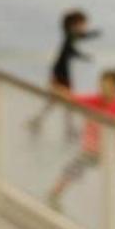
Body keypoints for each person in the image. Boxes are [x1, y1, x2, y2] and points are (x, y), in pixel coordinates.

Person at [46, 69, 115, 226]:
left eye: (108, 84)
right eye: (102, 83)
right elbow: (73, 98)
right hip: (92, 149)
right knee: (72, 170)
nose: (104, 87)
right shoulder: (94, 100)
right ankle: (54, 195)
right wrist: (57, 89)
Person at [27, 10, 99, 138]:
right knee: (67, 100)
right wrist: (84, 56)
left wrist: (91, 35)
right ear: (74, 25)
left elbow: (80, 38)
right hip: (61, 72)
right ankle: (67, 128)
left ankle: (39, 121)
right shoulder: (70, 36)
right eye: (82, 24)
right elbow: (71, 50)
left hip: (61, 71)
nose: (84, 27)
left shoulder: (70, 35)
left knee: (56, 100)